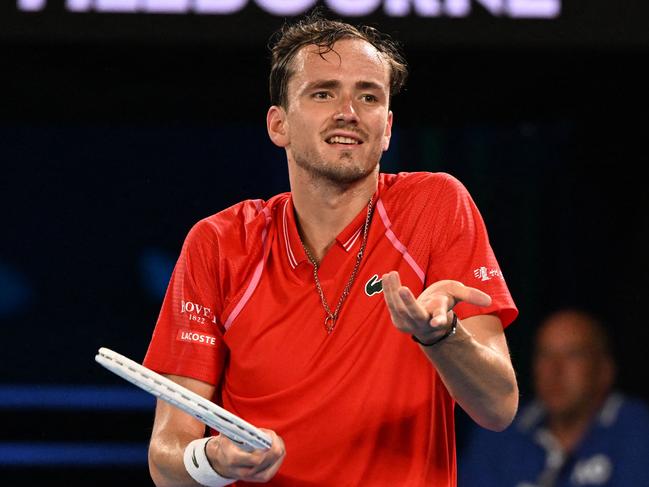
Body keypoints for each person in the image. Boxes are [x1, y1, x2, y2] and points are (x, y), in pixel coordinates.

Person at [143, 13, 519, 487]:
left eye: (369, 96)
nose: (349, 111)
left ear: (386, 129)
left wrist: (440, 337)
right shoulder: (218, 242)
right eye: (323, 93)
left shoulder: (436, 206)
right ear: (278, 124)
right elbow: (166, 458)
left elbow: (499, 407)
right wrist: (212, 458)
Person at [459, 309, 649, 487]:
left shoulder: (639, 432)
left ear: (604, 370)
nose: (555, 370)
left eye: (573, 354)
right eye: (545, 355)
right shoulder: (498, 431)